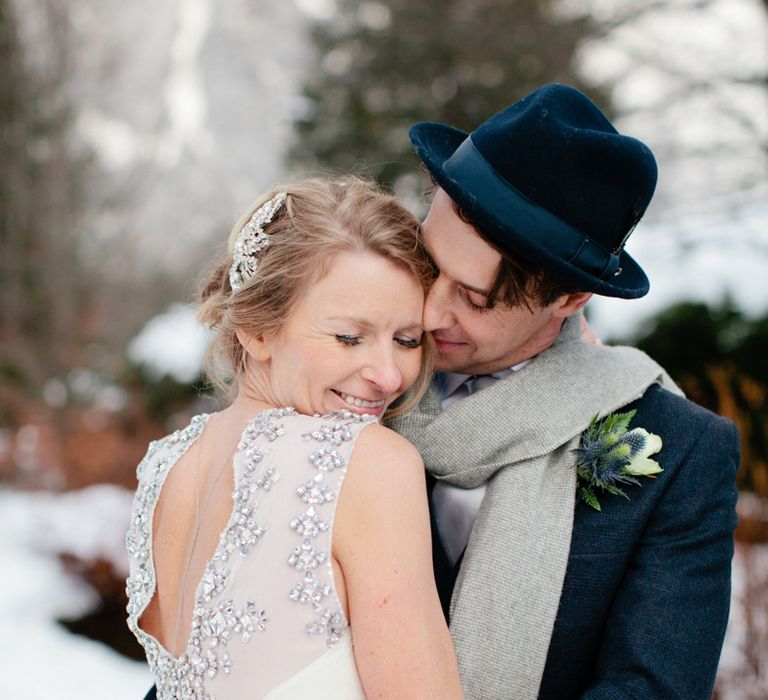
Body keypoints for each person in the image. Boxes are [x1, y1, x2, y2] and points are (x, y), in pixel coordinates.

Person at [387, 83, 740, 699]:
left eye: (473, 298)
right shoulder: (356, 383)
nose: (431, 311)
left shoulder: (682, 452)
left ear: (570, 298)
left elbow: (650, 688)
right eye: (428, 265)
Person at [126, 177, 464, 699]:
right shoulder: (369, 463)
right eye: (349, 337)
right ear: (257, 329)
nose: (390, 376)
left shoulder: (163, 466)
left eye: (406, 340)